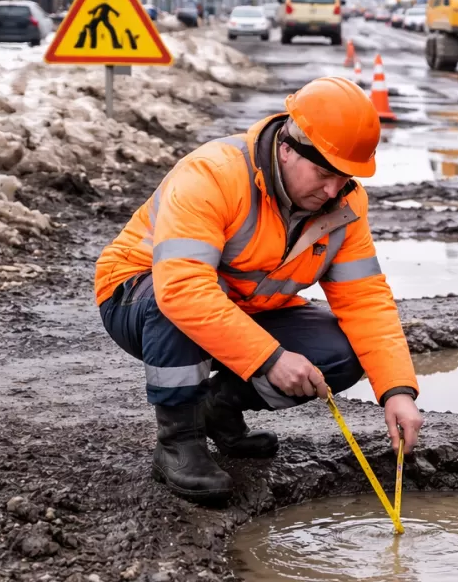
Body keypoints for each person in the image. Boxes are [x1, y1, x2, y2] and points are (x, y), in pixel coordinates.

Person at [94, 77, 424, 505]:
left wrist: (398, 390)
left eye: (344, 179)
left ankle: (219, 405)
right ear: (287, 148)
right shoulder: (212, 174)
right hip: (136, 297)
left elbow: (365, 301)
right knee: (175, 298)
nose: (332, 190)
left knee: (345, 350)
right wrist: (269, 358)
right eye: (323, 173)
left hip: (244, 309)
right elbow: (183, 288)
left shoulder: (344, 204)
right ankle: (179, 441)